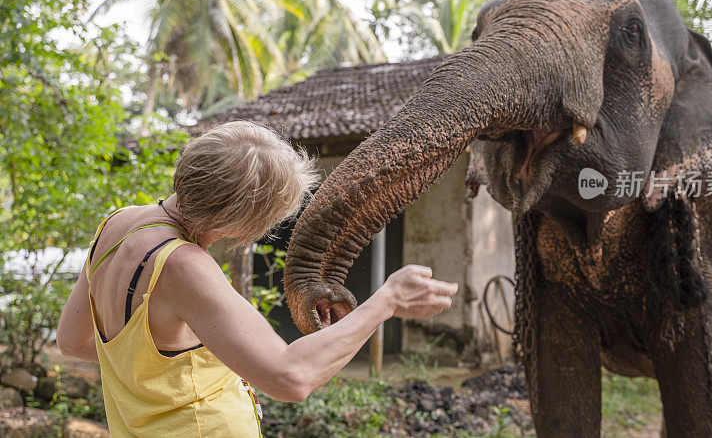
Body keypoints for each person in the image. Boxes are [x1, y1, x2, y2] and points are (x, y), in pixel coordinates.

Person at [56, 121, 458, 437]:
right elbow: (291, 378)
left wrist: (217, 361)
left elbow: (72, 342)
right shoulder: (183, 266)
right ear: (241, 220)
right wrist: (385, 301)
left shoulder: (117, 224)